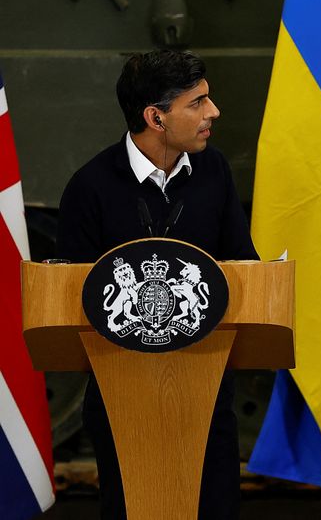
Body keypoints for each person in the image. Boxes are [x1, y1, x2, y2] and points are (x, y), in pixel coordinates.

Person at [56, 50, 258, 519]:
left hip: (207, 400)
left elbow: (242, 265)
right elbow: (69, 302)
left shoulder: (216, 172)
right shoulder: (90, 187)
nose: (214, 112)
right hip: (122, 403)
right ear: (156, 117)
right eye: (198, 102)